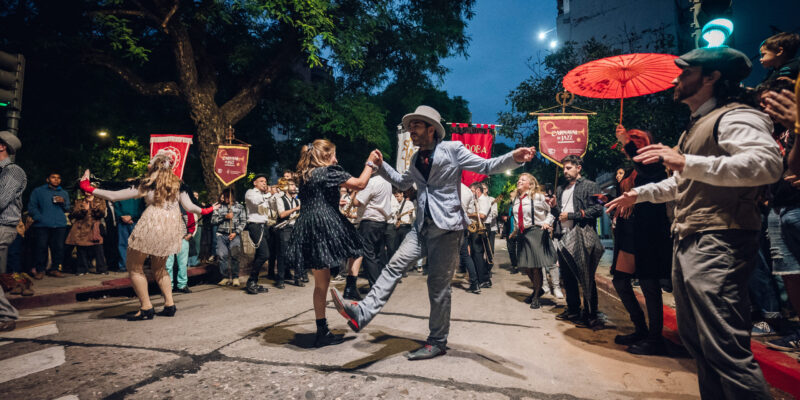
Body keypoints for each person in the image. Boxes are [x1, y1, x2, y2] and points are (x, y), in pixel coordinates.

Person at [606, 47, 782, 399]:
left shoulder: (734, 117)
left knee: (724, 349)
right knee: (699, 343)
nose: (676, 79)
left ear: (712, 77)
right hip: (690, 239)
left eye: (685, 73)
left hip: (721, 239)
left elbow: (766, 165)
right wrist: (637, 195)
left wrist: (685, 162)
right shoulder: (697, 126)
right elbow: (680, 183)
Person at [331, 105, 535, 360]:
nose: (410, 130)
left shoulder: (453, 149)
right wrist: (381, 166)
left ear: (431, 129)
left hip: (448, 229)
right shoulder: (416, 159)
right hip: (421, 228)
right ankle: (362, 313)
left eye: (415, 125)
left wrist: (514, 157)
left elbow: (486, 166)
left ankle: (437, 341)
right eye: (410, 126)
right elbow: (404, 183)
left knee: (437, 287)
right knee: (393, 267)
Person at [79, 150, 216, 320]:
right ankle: (169, 304)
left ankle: (146, 307)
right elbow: (192, 208)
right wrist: (209, 209)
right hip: (171, 227)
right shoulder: (179, 185)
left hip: (152, 223)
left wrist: (87, 187)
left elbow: (114, 195)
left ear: (154, 165)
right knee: (159, 268)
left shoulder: (148, 183)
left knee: (134, 267)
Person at [285, 139, 377, 348]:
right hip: (324, 222)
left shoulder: (305, 174)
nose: (336, 159)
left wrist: (335, 201)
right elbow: (360, 183)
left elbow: (317, 196)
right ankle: (351, 287)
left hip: (307, 224)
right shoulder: (327, 171)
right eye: (334, 154)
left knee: (321, 283)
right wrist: (369, 163)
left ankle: (322, 330)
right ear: (325, 155)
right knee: (358, 246)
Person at [608, 126, 672, 355]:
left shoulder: (654, 166)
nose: (627, 148)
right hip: (628, 232)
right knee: (620, 281)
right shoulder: (629, 171)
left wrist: (626, 140)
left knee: (649, 286)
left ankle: (655, 338)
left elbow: (649, 171)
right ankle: (640, 328)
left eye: (634, 142)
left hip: (649, 232)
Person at [548, 155, 604, 328]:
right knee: (567, 276)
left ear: (578, 168)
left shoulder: (591, 185)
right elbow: (559, 213)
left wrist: (573, 215)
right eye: (564, 168)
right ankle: (573, 309)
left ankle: (591, 313)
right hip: (563, 236)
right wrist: (553, 206)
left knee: (586, 276)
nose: (565, 171)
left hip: (581, 235)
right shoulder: (561, 188)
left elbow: (599, 208)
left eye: (568, 168)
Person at [512, 173, 555, 309]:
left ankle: (536, 296)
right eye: (519, 180)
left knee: (536, 266)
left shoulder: (538, 197)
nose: (519, 181)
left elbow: (551, 212)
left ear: (530, 184)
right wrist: (514, 231)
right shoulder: (516, 199)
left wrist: (547, 223)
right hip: (522, 234)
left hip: (536, 231)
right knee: (526, 266)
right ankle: (539, 289)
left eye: (523, 180)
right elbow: (517, 216)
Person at [0, 131, 24, 331]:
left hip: (2, 227)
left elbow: (0, 200)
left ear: (2, 146)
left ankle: (7, 315)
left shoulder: (12, 171)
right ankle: (6, 314)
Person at [352, 170, 392, 287]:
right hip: (382, 222)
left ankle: (375, 287)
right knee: (378, 254)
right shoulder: (387, 182)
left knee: (369, 255)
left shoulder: (371, 182)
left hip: (370, 221)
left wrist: (355, 191)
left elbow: (356, 202)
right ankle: (381, 283)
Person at [28, 172, 71, 278]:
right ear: (47, 179)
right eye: (53, 177)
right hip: (42, 225)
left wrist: (63, 202)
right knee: (41, 248)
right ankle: (40, 270)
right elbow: (32, 207)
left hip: (59, 225)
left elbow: (68, 208)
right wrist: (40, 218)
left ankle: (55, 269)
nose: (56, 180)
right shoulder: (38, 191)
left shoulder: (64, 193)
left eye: (58, 178)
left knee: (58, 248)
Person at [65, 193, 108, 275]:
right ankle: (82, 269)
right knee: (81, 248)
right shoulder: (79, 201)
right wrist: (84, 210)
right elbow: (74, 214)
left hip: (94, 228)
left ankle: (101, 268)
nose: (87, 192)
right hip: (81, 228)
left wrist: (95, 209)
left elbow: (102, 214)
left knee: (98, 248)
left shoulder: (99, 200)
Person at [243, 174, 272, 295]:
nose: (264, 183)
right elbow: (255, 202)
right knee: (265, 254)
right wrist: (268, 194)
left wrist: (275, 194)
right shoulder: (251, 192)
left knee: (259, 254)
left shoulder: (264, 195)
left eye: (265, 181)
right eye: (261, 181)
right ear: (255, 183)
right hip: (255, 225)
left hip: (264, 225)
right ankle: (251, 280)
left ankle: (254, 281)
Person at [212, 188, 246, 287]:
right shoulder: (218, 207)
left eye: (227, 196)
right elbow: (213, 221)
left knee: (235, 255)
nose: (225, 198)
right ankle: (225, 277)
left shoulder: (239, 207)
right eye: (223, 196)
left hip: (234, 235)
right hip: (221, 234)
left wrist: (236, 232)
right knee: (222, 256)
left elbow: (243, 221)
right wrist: (224, 217)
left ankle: (235, 277)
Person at [274, 177, 303, 288]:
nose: (294, 187)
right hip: (284, 228)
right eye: (291, 185)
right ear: (286, 188)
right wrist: (295, 209)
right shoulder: (280, 199)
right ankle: (280, 279)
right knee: (282, 254)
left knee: (298, 254)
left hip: (295, 228)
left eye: (294, 185)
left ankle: (297, 278)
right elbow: (282, 214)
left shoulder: (297, 200)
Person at [165, 209, 195, 293]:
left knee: (183, 263)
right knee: (168, 264)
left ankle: (182, 285)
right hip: (169, 239)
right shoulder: (166, 207)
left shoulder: (185, 207)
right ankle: (168, 287)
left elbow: (192, 222)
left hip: (183, 238)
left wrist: (190, 233)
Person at [114, 195, 143, 272]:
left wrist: (132, 216)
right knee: (123, 244)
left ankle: (136, 265)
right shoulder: (121, 191)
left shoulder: (138, 192)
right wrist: (121, 216)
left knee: (136, 244)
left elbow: (141, 206)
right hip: (122, 222)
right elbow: (116, 204)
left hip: (135, 221)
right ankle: (123, 265)